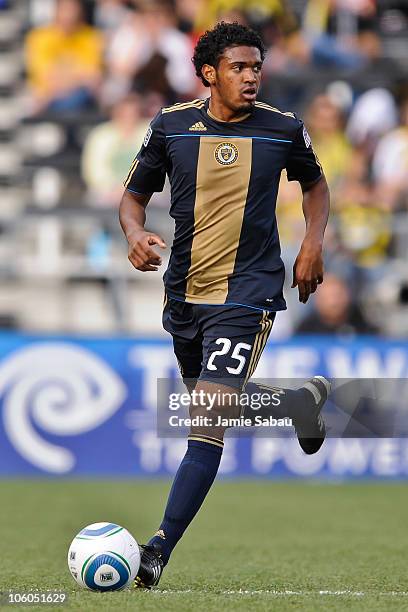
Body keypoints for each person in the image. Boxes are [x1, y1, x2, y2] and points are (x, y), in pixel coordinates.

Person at [119, 22, 330, 588]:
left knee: (207, 417)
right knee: (216, 404)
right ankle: (295, 404)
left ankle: (159, 547)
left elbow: (315, 185)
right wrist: (134, 234)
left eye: (256, 66)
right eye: (239, 67)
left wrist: (312, 242)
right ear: (210, 73)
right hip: (185, 293)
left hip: (249, 291)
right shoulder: (171, 127)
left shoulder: (283, 129)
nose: (252, 76)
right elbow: (133, 197)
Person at [25, 0, 103, 114]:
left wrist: (63, 76)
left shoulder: (90, 37)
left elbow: (94, 76)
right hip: (47, 99)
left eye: (72, 11)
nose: (69, 15)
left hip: (81, 97)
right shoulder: (40, 37)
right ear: (56, 11)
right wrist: (76, 76)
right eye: (65, 10)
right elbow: (45, 76)